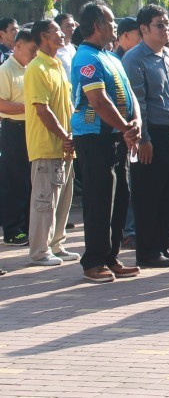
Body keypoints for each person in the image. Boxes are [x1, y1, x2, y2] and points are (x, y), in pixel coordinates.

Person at [70, 0, 143, 283]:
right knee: (99, 201)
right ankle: (93, 261)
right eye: (111, 21)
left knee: (119, 198)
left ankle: (111, 256)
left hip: (116, 137)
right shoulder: (86, 57)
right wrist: (125, 127)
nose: (116, 26)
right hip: (94, 138)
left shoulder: (112, 56)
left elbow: (130, 94)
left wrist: (135, 121)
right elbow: (98, 101)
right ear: (98, 25)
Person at [121, 5, 169, 269]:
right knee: (149, 195)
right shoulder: (135, 59)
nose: (166, 29)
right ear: (143, 29)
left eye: (167, 23)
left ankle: (162, 246)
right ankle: (147, 250)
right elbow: (138, 102)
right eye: (159, 25)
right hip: (153, 136)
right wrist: (144, 139)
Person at [24, 20, 78, 267]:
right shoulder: (37, 67)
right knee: (44, 201)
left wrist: (71, 135)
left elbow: (67, 106)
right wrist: (63, 136)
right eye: (57, 30)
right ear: (44, 36)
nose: (62, 34)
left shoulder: (57, 65)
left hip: (65, 147)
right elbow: (42, 110)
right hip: (48, 146)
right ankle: (39, 251)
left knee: (62, 199)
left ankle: (56, 243)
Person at [0, 29, 36, 246]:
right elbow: (2, 104)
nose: (34, 54)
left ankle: (29, 226)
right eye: (32, 50)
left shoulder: (30, 69)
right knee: (14, 181)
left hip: (31, 129)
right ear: (18, 45)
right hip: (14, 129)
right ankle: (13, 229)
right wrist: (32, 108)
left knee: (30, 180)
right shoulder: (6, 70)